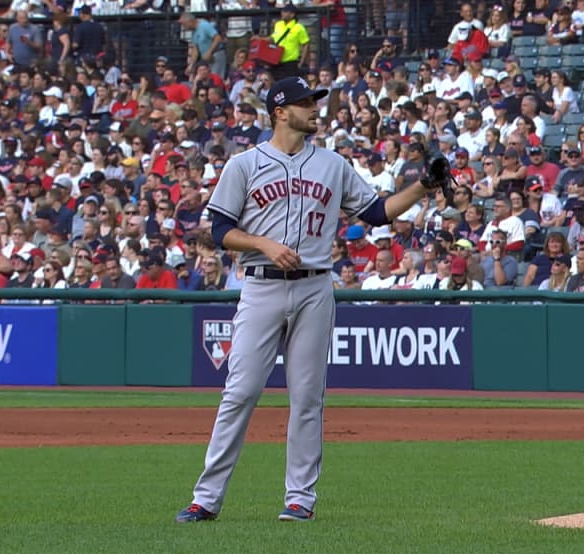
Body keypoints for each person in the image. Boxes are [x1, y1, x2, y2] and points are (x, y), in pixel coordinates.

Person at [176, 77, 442, 524]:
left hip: (316, 286)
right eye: (304, 103)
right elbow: (220, 230)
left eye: (314, 102)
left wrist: (422, 188)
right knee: (240, 392)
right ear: (280, 111)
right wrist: (263, 244)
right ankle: (207, 498)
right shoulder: (244, 164)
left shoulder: (332, 164)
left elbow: (375, 213)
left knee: (307, 397)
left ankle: (300, 499)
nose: (315, 109)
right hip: (261, 285)